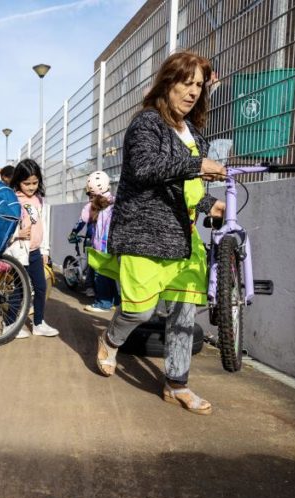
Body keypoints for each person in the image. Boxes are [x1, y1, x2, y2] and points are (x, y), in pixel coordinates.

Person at [92, 51, 226, 415]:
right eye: (186, 82)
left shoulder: (194, 133)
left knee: (184, 313)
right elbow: (147, 167)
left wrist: (206, 205)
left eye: (199, 85)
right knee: (139, 310)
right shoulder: (146, 123)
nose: (193, 91)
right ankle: (110, 339)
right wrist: (198, 164)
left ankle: (176, 383)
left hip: (184, 239)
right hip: (144, 234)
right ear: (168, 82)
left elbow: (188, 187)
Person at [8, 158, 59, 338]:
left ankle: (38, 323)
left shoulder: (38, 200)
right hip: (19, 252)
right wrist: (16, 235)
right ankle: (10, 324)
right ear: (18, 181)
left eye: (35, 183)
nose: (31, 187)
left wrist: (45, 250)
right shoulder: (12, 199)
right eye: (26, 183)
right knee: (19, 289)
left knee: (41, 287)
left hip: (35, 252)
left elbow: (41, 224)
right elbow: (5, 226)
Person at [83, 171, 120, 313]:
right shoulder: (112, 203)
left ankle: (103, 303)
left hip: (102, 248)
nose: (89, 198)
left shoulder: (102, 207)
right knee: (109, 274)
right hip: (110, 247)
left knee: (101, 275)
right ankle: (114, 301)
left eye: (90, 195)